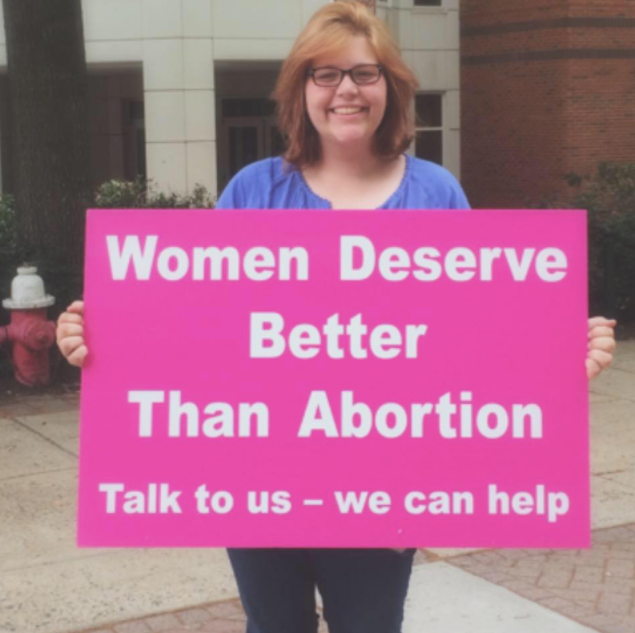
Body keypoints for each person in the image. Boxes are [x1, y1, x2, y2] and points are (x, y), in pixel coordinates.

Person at [57, 2, 617, 632]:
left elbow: (475, 340)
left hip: (386, 480)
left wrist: (555, 356)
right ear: (301, 90)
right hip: (258, 476)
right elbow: (199, 328)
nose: (345, 89)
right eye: (324, 74)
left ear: (391, 88)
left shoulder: (436, 193)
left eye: (364, 73)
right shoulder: (253, 190)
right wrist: (103, 339)